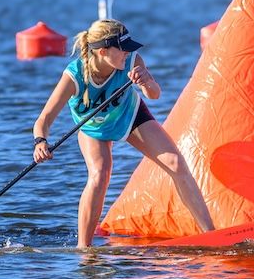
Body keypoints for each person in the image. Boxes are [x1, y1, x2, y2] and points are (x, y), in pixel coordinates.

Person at [31, 19, 215, 247]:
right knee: (99, 175)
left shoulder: (133, 61)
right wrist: (40, 142)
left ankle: (211, 234)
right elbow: (44, 119)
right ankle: (84, 249)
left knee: (176, 163)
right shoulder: (74, 76)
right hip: (94, 129)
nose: (128, 54)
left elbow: (155, 95)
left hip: (131, 116)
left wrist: (146, 81)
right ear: (102, 51)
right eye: (123, 50)